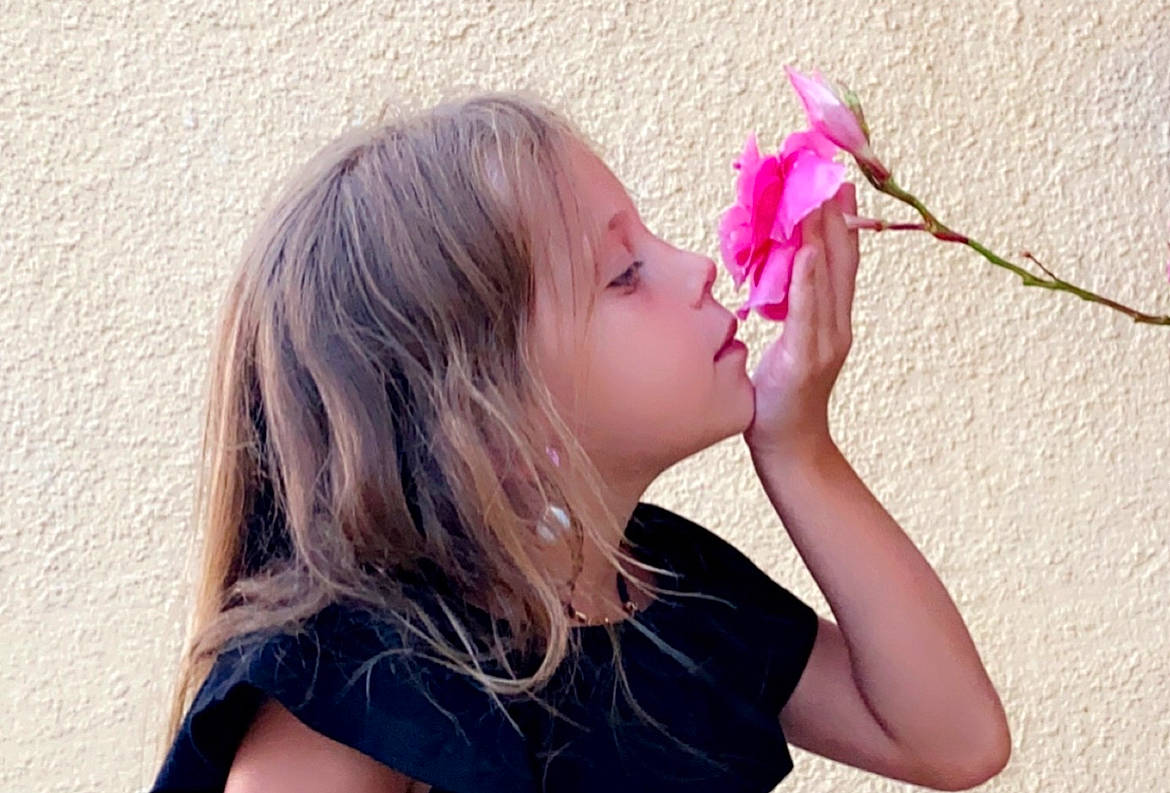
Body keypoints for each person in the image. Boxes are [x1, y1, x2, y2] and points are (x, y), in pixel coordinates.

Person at [151, 91, 1010, 793]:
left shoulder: (664, 590)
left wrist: (798, 447)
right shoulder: (348, 680)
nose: (695, 266)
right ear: (491, 418)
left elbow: (951, 737)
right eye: (624, 273)